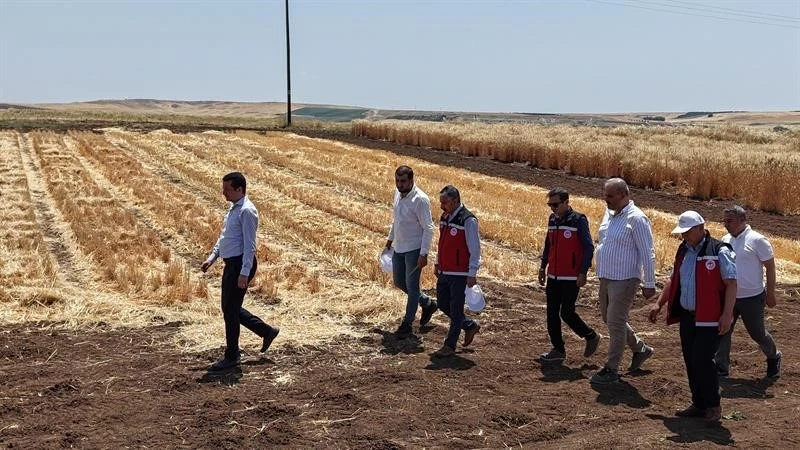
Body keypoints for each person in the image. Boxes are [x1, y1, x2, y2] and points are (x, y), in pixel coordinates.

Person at [649, 211, 736, 423]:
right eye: (682, 232)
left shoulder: (720, 250)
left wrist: (727, 314)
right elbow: (674, 279)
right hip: (688, 316)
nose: (683, 236)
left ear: (700, 228)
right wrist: (659, 303)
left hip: (710, 317)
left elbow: (731, 283)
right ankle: (699, 403)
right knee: (690, 359)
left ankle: (713, 405)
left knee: (702, 359)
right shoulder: (683, 250)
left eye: (687, 232)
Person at [201, 172, 280, 371]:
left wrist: (244, 273)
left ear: (239, 189)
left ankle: (232, 356)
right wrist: (212, 258)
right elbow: (225, 237)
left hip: (240, 265)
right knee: (230, 308)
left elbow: (250, 246)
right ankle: (266, 331)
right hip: (232, 264)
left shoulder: (247, 211)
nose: (224, 193)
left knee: (230, 310)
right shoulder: (234, 208)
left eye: (227, 189)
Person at [590, 178, 657, 384]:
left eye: (610, 196)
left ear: (623, 195)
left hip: (625, 278)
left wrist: (649, 283)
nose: (606, 199)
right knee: (608, 318)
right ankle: (640, 349)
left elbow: (648, 253)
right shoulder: (609, 214)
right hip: (606, 276)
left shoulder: (637, 218)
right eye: (605, 195)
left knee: (615, 322)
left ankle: (612, 369)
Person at [715, 205, 782, 378]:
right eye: (724, 221)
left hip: (752, 297)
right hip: (729, 296)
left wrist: (770, 293)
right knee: (723, 329)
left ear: (742, 220)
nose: (726, 224)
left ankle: (774, 356)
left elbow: (770, 267)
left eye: (729, 221)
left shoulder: (757, 240)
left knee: (757, 333)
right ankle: (721, 366)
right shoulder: (725, 239)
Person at [538, 188, 600, 361]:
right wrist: (543, 267)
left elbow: (588, 247)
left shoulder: (578, 220)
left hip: (571, 277)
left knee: (566, 312)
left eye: (555, 205)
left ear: (566, 202)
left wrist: (583, 272)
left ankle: (590, 336)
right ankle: (558, 350)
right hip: (553, 275)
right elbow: (548, 245)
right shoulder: (552, 219)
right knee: (551, 313)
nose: (552, 208)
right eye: (550, 205)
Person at [385, 165, 438, 337]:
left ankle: (407, 323)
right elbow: (397, 219)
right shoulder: (397, 193)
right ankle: (427, 303)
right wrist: (390, 238)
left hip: (414, 250)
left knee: (412, 287)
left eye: (403, 181)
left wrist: (424, 253)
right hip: (399, 247)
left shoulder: (420, 200)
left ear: (411, 180)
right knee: (399, 282)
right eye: (397, 181)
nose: (399, 184)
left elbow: (428, 228)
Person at [432, 185, 481, 357]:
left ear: (454, 201)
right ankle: (469, 325)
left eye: (444, 203)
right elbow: (441, 243)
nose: (441, 206)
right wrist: (437, 262)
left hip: (460, 273)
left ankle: (450, 345)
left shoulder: (468, 220)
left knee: (455, 307)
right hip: (445, 270)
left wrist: (472, 273)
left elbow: (475, 249)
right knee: (442, 303)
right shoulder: (445, 217)